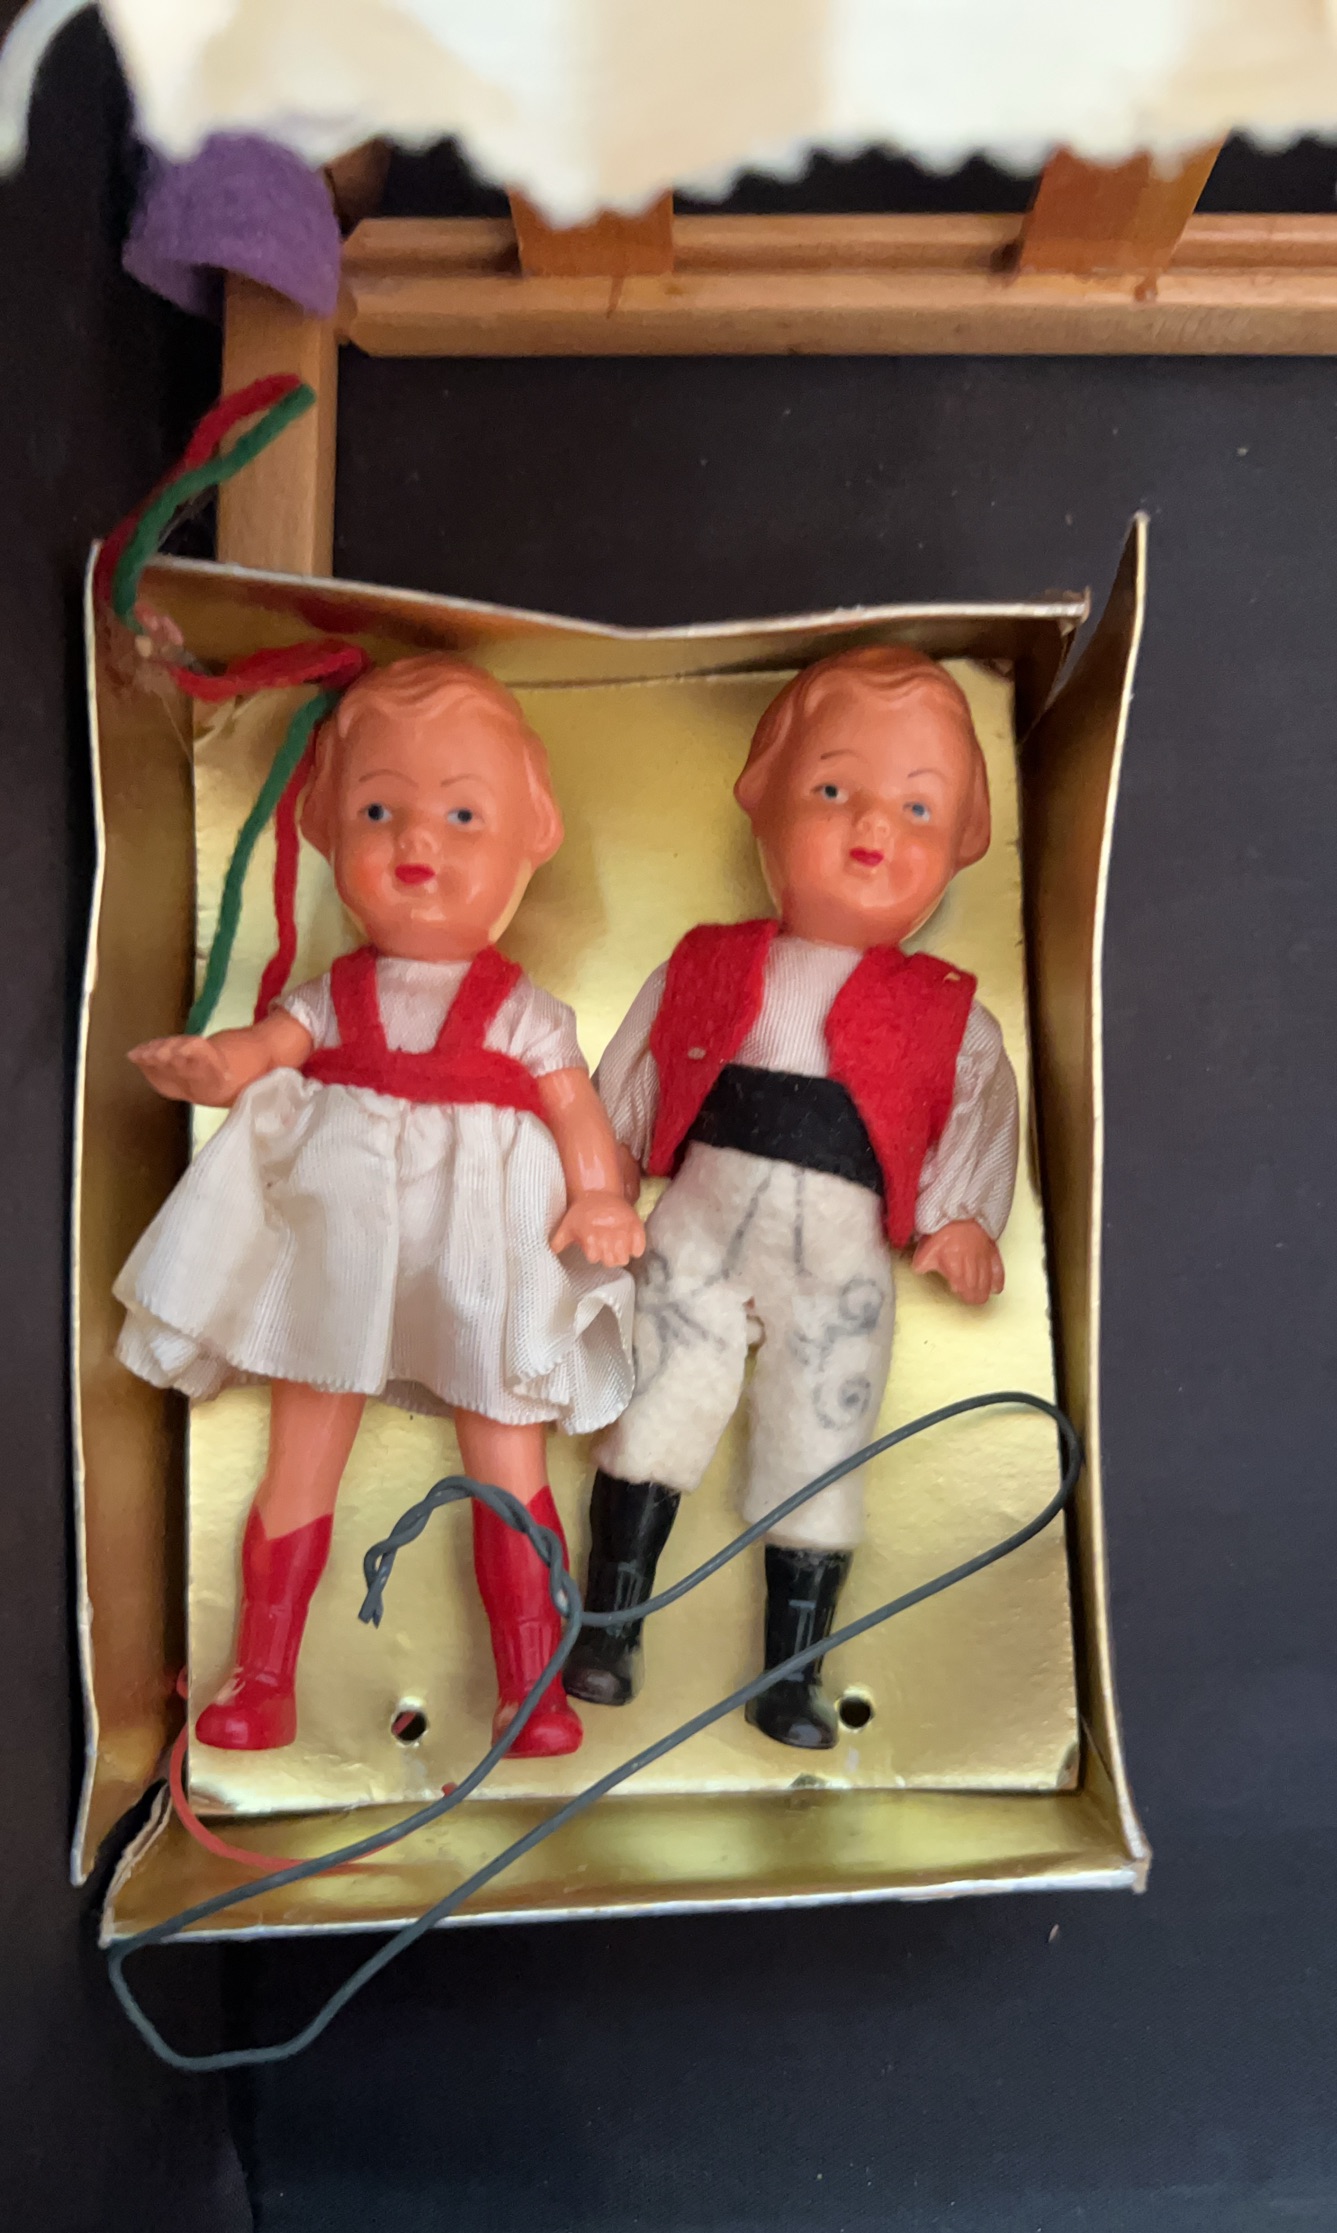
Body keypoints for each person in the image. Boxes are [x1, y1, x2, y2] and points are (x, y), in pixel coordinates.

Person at [116, 655, 643, 1758]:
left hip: (484, 1254)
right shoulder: (332, 995)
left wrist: (598, 1194)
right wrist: (221, 1064)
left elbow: (572, 1105)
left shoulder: (523, 1011)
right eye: (377, 811)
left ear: (531, 837)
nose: (417, 842)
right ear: (325, 829)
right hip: (343, 1249)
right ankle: (261, 1674)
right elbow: (269, 1046)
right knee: (302, 1448)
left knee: (508, 1453)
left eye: (463, 815)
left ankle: (530, 1684)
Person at [566, 644, 1018, 1751]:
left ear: (961, 844)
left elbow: (975, 1113)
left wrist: (962, 1217)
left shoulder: (950, 1011)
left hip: (843, 1261)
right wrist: (602, 1174)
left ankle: (792, 1674)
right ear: (760, 798)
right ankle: (607, 1627)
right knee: (653, 1412)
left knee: (819, 1447)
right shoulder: (707, 964)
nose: (872, 825)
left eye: (918, 808)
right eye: (830, 789)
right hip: (698, 1231)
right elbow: (631, 1073)